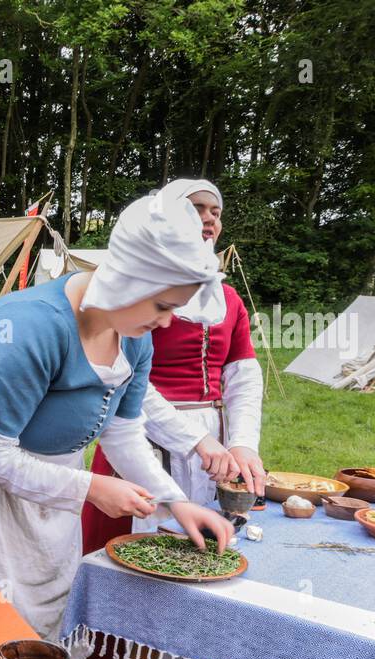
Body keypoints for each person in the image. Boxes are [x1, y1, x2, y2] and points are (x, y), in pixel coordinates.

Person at [0, 191, 235, 639]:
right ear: (128, 280)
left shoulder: (135, 337)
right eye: (162, 307)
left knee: (45, 623)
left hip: (56, 498)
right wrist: (90, 488)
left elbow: (123, 433)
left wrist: (175, 501)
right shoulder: (30, 327)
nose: (166, 324)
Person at [82, 178, 266, 556]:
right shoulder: (138, 296)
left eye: (215, 212)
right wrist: (192, 439)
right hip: (142, 433)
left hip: (212, 444)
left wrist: (242, 444)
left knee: (200, 544)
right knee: (129, 551)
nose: (208, 218)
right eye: (197, 208)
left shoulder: (229, 299)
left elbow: (243, 376)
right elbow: (129, 378)